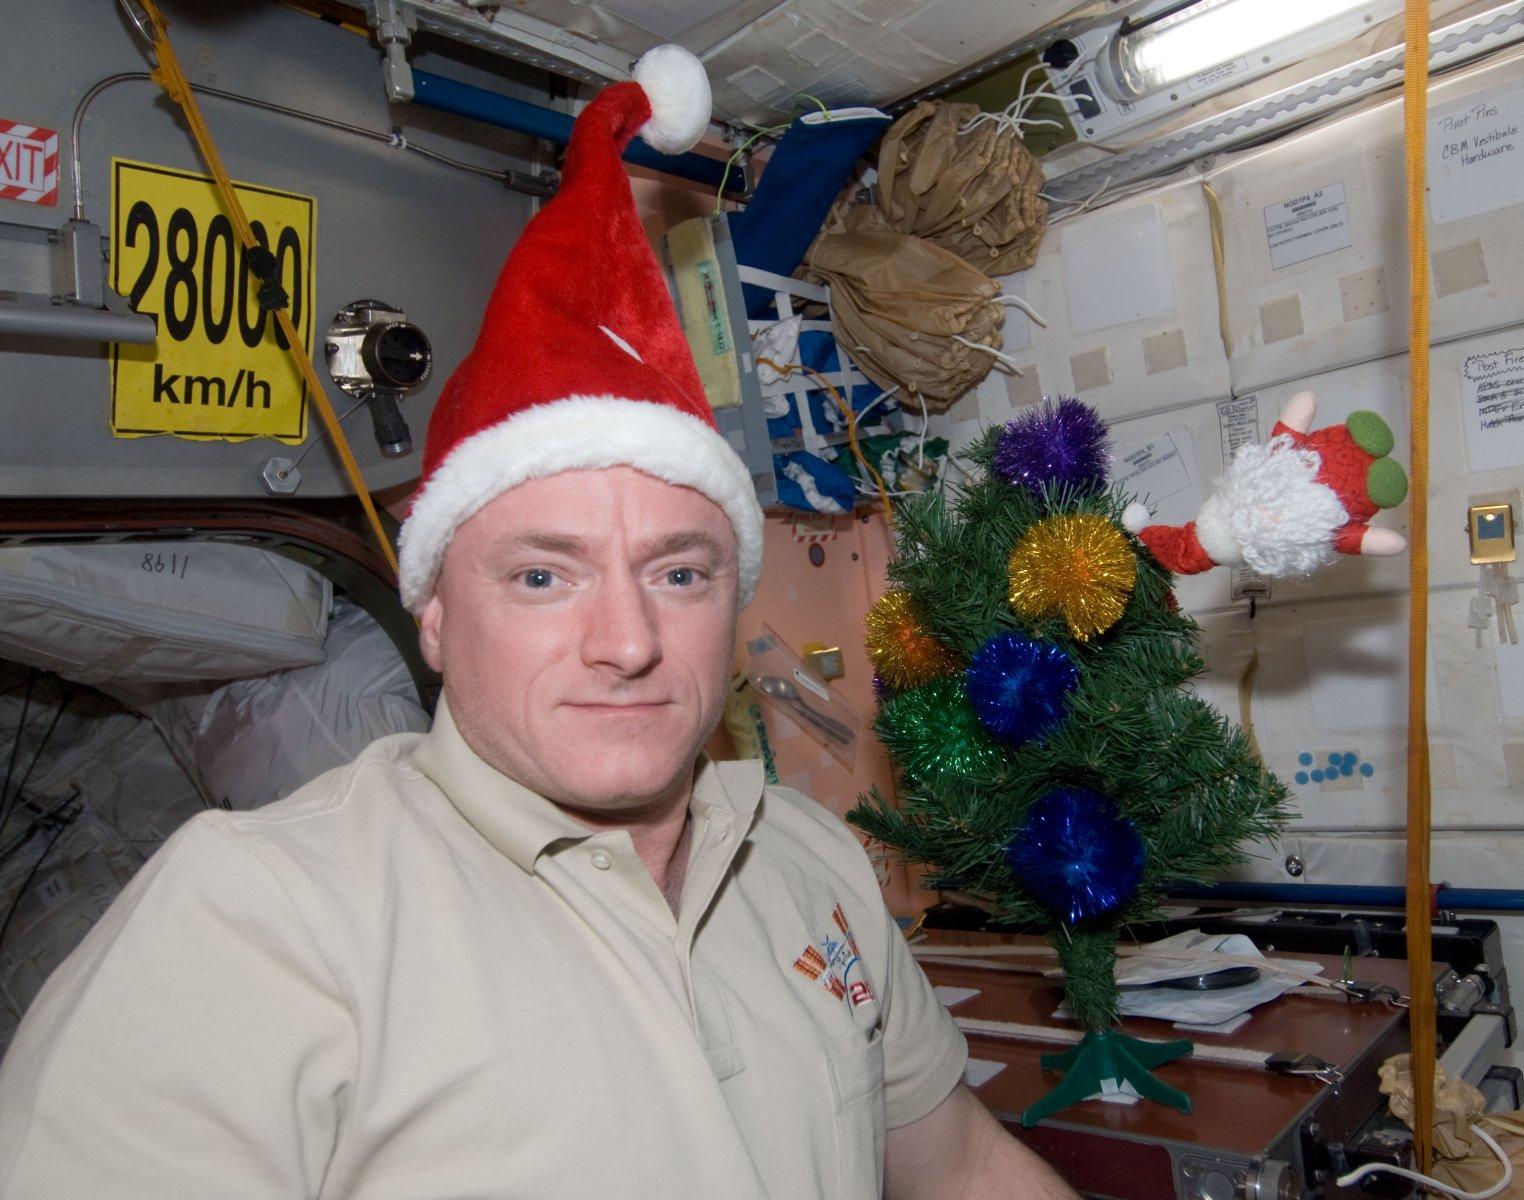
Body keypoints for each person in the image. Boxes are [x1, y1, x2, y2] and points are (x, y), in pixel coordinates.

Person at [0, 44, 1079, 1200]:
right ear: (431, 615)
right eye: (541, 578)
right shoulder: (255, 924)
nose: (627, 641)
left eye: (678, 573)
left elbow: (957, 1164)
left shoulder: (810, 863)